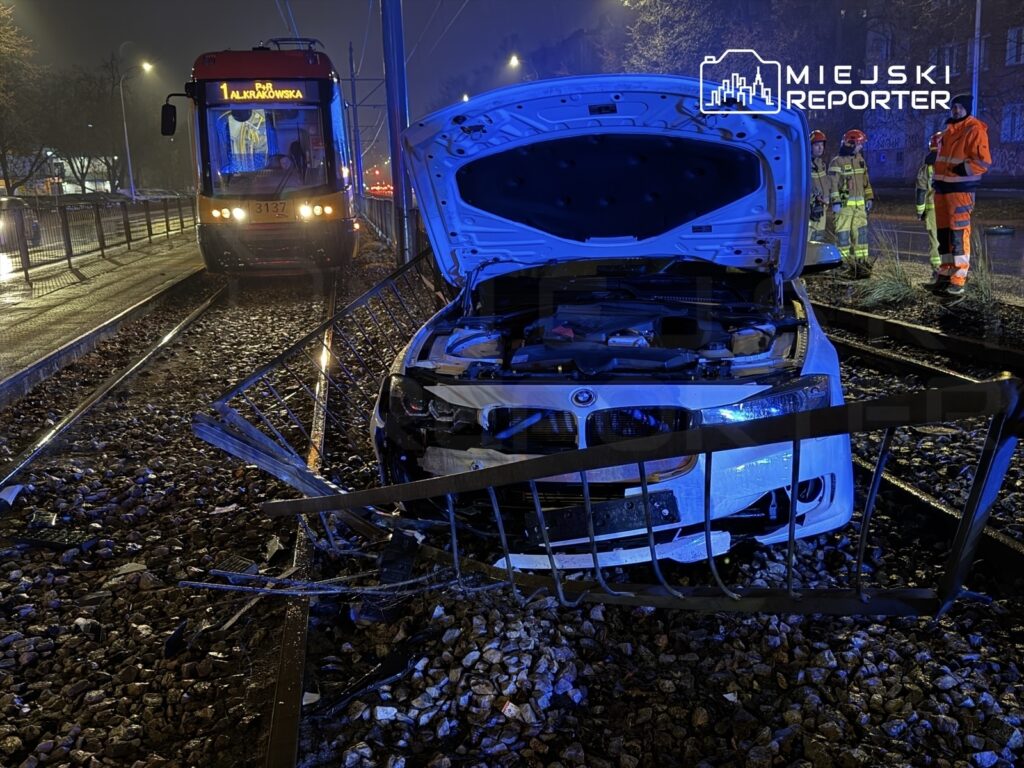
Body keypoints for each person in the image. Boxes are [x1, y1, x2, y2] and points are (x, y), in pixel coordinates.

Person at [928, 93, 992, 297]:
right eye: (953, 107)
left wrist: (961, 169)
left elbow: (983, 162)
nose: (955, 110)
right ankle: (946, 273)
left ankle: (958, 279)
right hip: (943, 189)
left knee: (958, 234)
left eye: (959, 107)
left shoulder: (975, 129)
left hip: (960, 190)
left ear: (967, 108)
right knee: (944, 234)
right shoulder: (948, 132)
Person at [829, 129, 873, 278]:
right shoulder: (837, 162)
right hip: (844, 208)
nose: (861, 147)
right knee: (843, 238)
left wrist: (869, 198)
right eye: (860, 144)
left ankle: (861, 265)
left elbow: (866, 182)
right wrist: (835, 201)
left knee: (861, 236)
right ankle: (843, 266)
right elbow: (833, 184)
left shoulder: (860, 160)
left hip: (859, 208)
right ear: (851, 143)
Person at [915, 132, 942, 277]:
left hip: (932, 210)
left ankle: (937, 270)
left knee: (935, 241)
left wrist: (920, 211)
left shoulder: (927, 168)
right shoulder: (951, 164)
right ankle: (951, 270)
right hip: (949, 209)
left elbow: (921, 190)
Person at [808, 129, 832, 242]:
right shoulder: (804, 164)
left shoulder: (821, 164)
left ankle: (816, 259)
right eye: (817, 145)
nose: (820, 148)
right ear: (810, 146)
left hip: (821, 209)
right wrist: (814, 197)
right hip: (809, 210)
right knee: (807, 239)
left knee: (818, 239)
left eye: (822, 145)